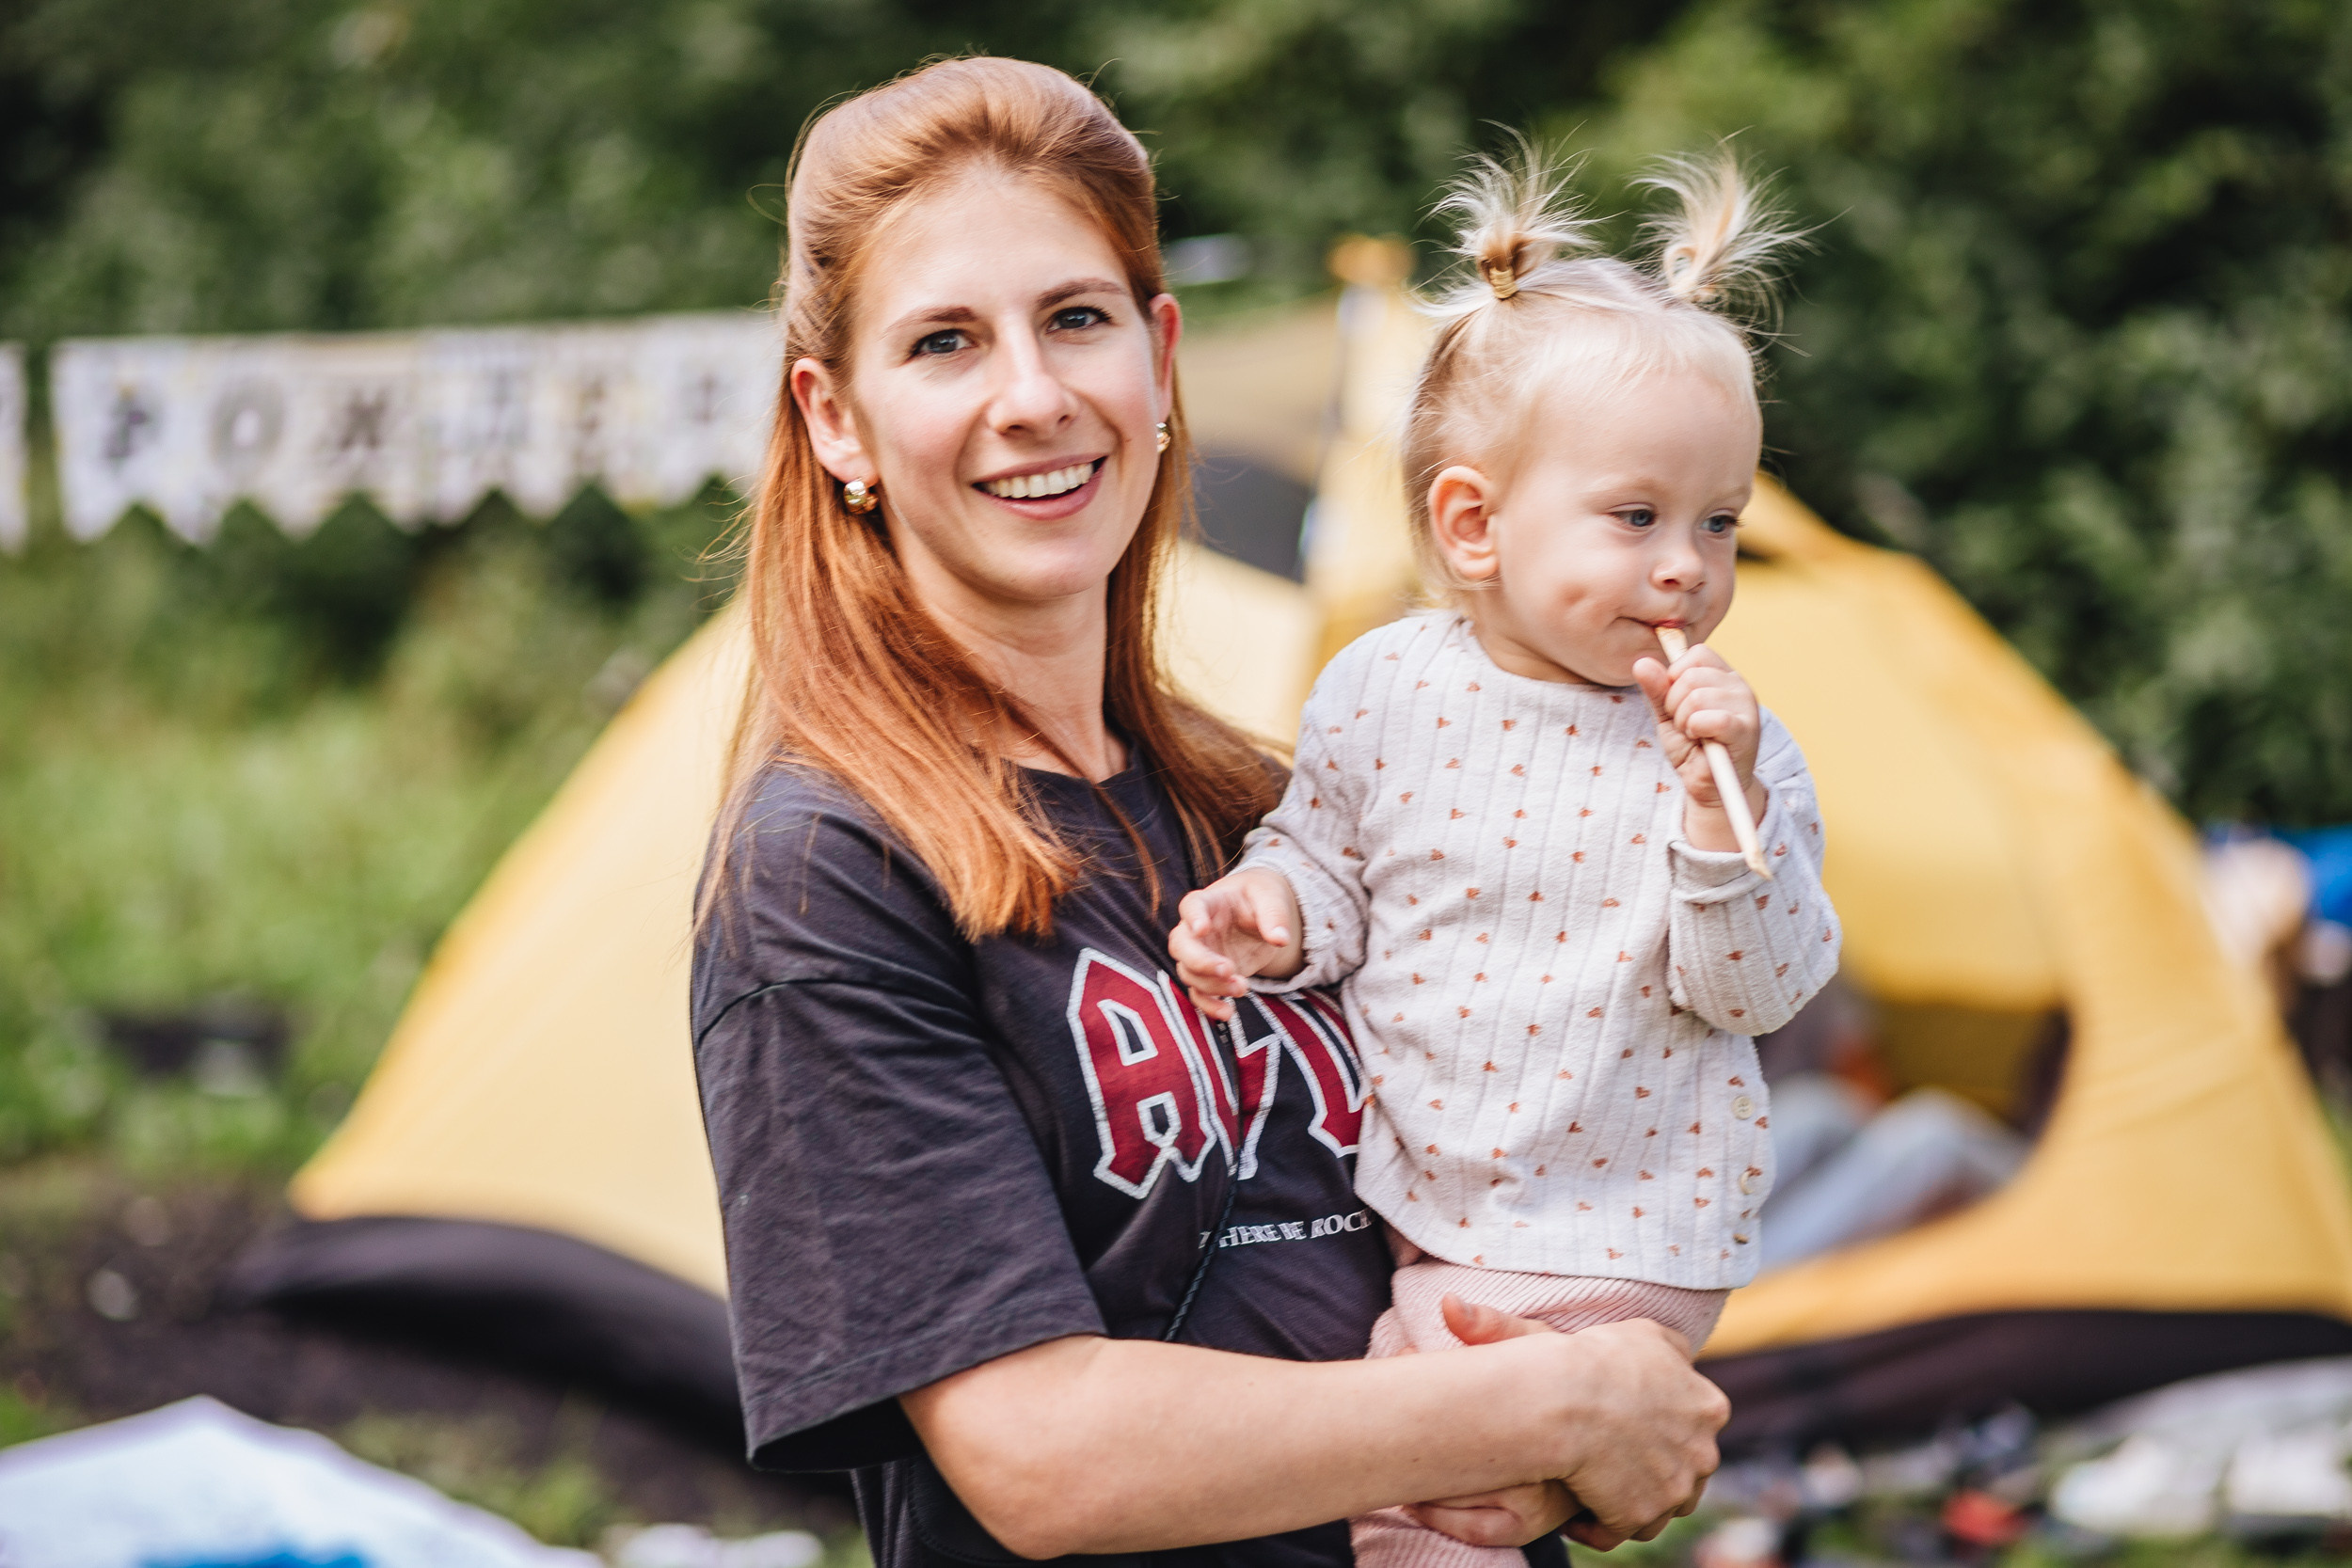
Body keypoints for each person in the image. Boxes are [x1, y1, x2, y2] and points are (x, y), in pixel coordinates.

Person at [690, 57, 1728, 1568]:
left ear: (1159, 359)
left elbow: (1530, 1182)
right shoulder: (825, 874)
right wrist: (1553, 1413)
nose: (1032, 397)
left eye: (1076, 320)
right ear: (837, 419)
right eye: (944, 344)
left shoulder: (1279, 809)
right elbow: (1041, 1457)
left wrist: (1566, 1446)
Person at [1168, 148, 1841, 1568]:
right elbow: (1338, 867)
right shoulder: (1384, 690)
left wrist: (1722, 822)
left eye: (1720, 523)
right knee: (1443, 1493)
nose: (1688, 570)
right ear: (1474, 524)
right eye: (1638, 517)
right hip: (1433, 1209)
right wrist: (1269, 908)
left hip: (1620, 1238)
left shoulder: (1733, 751)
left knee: (1414, 1508)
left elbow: (1762, 987)